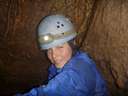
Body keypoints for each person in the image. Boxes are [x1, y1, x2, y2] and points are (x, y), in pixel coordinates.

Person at [16, 14, 108, 96]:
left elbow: (58, 89)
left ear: (72, 44)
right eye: (49, 50)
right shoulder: (66, 61)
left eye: (60, 47)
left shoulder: (78, 72)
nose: (54, 55)